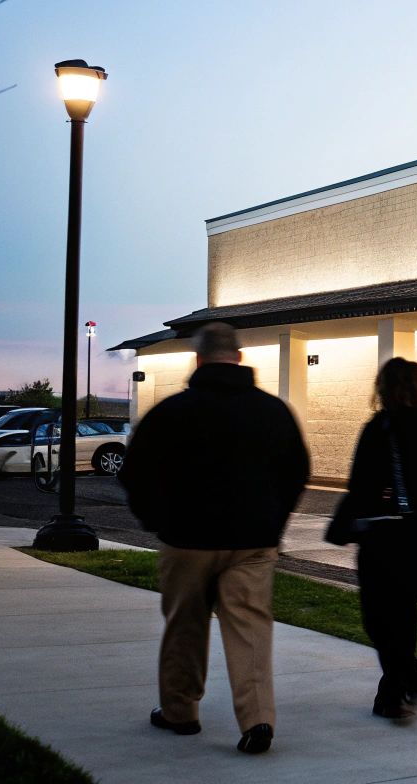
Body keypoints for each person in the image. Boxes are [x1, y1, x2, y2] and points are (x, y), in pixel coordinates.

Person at [117, 322, 310, 755]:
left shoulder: (171, 412)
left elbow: (134, 473)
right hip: (254, 540)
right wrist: (274, 523)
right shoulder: (273, 412)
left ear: (198, 360)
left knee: (185, 625)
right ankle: (257, 718)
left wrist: (157, 520)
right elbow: (297, 472)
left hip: (187, 539)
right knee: (250, 627)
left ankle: (180, 711)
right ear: (239, 359)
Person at [327, 357, 417, 721]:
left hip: (384, 538)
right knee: (400, 615)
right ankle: (392, 698)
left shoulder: (379, 428)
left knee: (379, 621)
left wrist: (344, 526)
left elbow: (359, 484)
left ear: (384, 388)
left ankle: (414, 680)